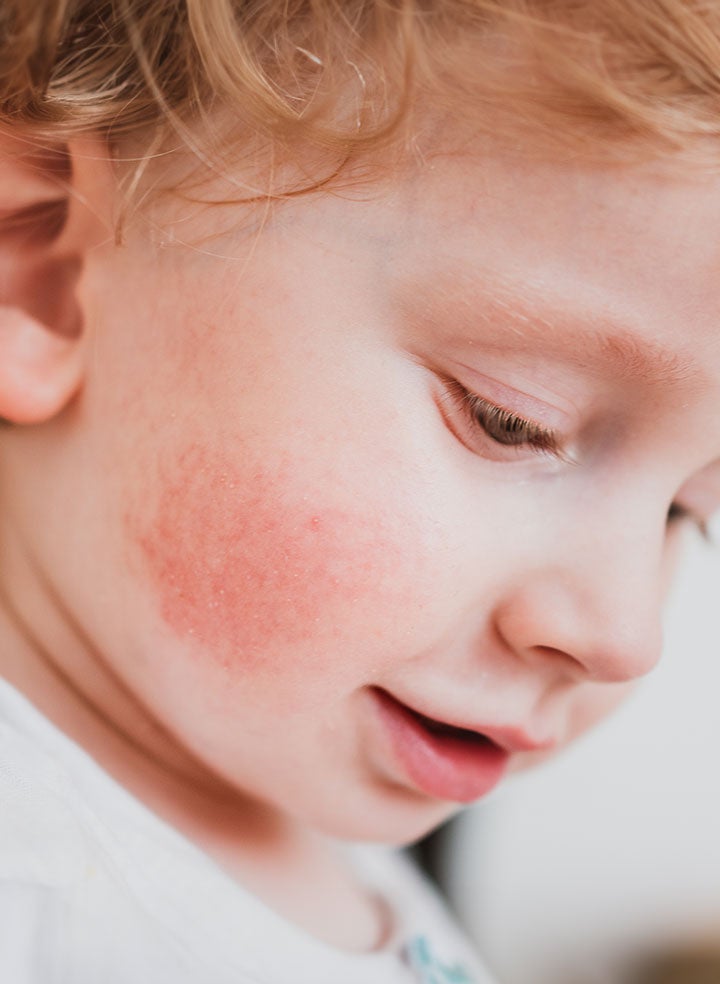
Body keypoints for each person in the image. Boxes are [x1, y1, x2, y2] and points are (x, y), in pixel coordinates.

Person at [1, 1, 720, 981]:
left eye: (688, 513)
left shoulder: (296, 823)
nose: (624, 638)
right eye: (512, 421)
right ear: (42, 267)